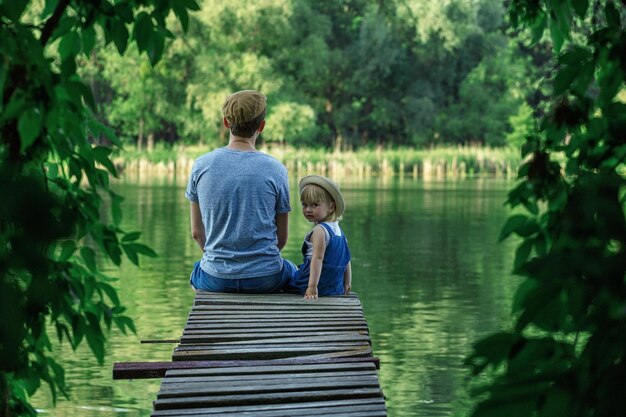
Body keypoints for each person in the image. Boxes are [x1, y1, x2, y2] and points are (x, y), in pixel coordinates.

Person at [185, 89, 295, 293]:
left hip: (216, 278)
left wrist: (223, 263)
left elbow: (196, 233)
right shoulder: (276, 169)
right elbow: (282, 238)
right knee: (291, 269)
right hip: (265, 278)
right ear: (261, 126)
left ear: (226, 122)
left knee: (197, 272)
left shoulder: (201, 165)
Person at [287, 175, 352, 299]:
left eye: (314, 205)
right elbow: (346, 259)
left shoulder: (320, 230)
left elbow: (318, 258)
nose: (308, 209)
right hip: (333, 288)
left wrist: (312, 287)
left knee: (286, 273)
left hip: (312, 284)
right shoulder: (340, 232)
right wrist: (347, 283)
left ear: (331, 207)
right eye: (305, 205)